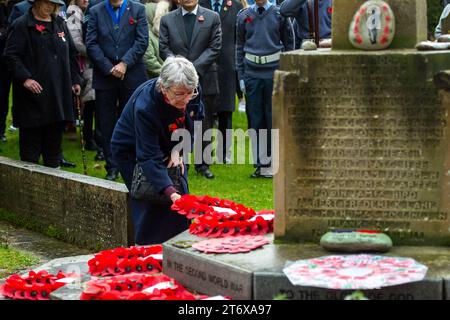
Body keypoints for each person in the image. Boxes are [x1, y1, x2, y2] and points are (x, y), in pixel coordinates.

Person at [111, 56, 203, 245]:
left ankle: (180, 246)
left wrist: (179, 149)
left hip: (170, 142)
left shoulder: (191, 89)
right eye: (179, 94)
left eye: (190, 93)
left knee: (179, 191)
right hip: (133, 150)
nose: (186, 100)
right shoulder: (146, 106)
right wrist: (170, 192)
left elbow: (196, 121)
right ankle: (148, 250)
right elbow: (148, 157)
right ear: (164, 88)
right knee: (151, 195)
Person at [4, 0, 82, 168]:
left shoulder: (60, 23)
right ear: (36, 2)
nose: (49, 6)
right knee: (30, 156)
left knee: (53, 152)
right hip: (33, 99)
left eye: (53, 3)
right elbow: (11, 56)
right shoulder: (22, 24)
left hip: (57, 97)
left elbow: (71, 54)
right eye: (46, 2)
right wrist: (25, 78)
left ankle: (53, 178)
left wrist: (75, 79)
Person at [86, 0, 149, 181]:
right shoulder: (96, 10)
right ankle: (112, 166)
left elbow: (142, 40)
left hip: (132, 75)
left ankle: (132, 164)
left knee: (133, 121)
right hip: (105, 76)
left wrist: (124, 63)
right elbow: (91, 43)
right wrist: (108, 67)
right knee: (106, 123)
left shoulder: (138, 9)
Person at [159, 0, 222, 179]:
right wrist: (179, 70)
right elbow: (163, 48)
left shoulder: (212, 17)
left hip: (205, 77)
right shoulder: (167, 20)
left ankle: (203, 164)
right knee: (177, 121)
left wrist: (191, 70)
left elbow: (215, 47)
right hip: (176, 83)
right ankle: (180, 160)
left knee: (205, 121)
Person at [236, 0, 293, 178]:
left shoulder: (279, 15)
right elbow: (239, 47)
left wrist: (286, 73)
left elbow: (289, 45)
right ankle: (261, 163)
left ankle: (275, 163)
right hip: (252, 74)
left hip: (274, 73)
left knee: (274, 118)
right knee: (255, 119)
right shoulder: (243, 16)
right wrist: (241, 77)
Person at [199, 0, 242, 164]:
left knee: (226, 111)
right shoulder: (200, 5)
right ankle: (205, 154)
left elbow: (239, 37)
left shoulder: (236, 6)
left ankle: (224, 153)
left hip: (227, 67)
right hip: (206, 66)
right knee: (205, 112)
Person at [66, 0, 104, 161]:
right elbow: (76, 42)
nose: (85, 0)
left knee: (94, 103)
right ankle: (90, 138)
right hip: (86, 65)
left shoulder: (88, 11)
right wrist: (97, 53)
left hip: (93, 63)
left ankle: (93, 137)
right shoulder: (73, 13)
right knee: (91, 103)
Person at [143, 0, 169, 79]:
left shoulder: (160, 32)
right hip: (157, 79)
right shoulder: (146, 34)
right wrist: (167, 75)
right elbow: (149, 60)